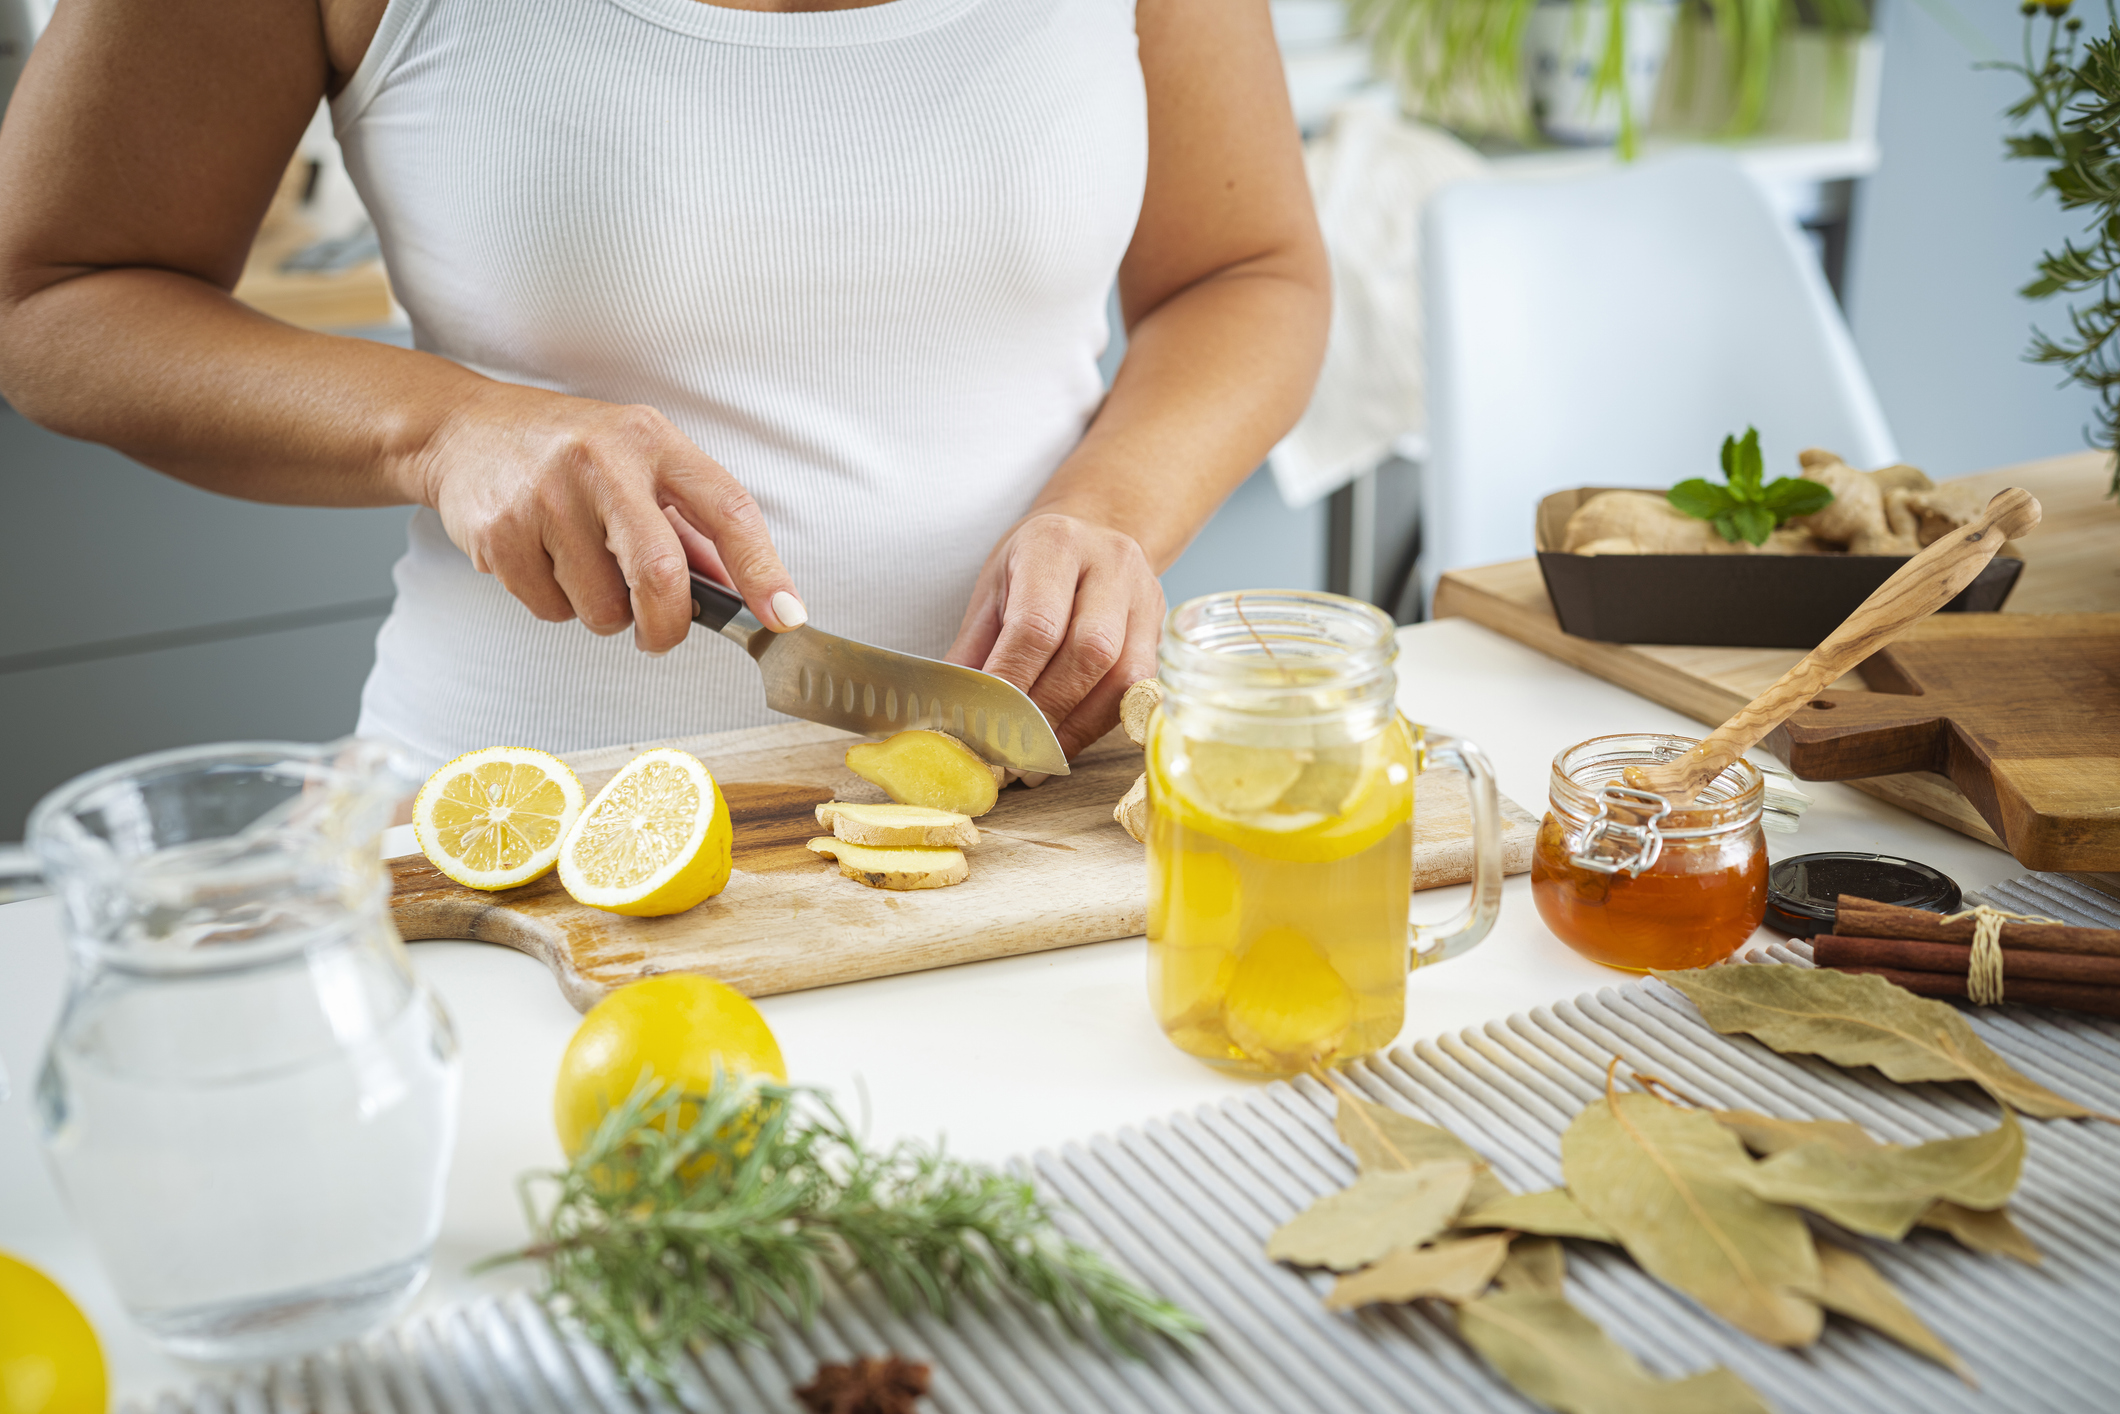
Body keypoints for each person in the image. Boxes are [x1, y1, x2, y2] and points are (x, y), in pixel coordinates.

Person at [0, 0, 1328, 775]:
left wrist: (1116, 508)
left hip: (1026, 816)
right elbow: (50, 294)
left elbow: (1248, 270)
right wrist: (449, 427)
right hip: (531, 836)